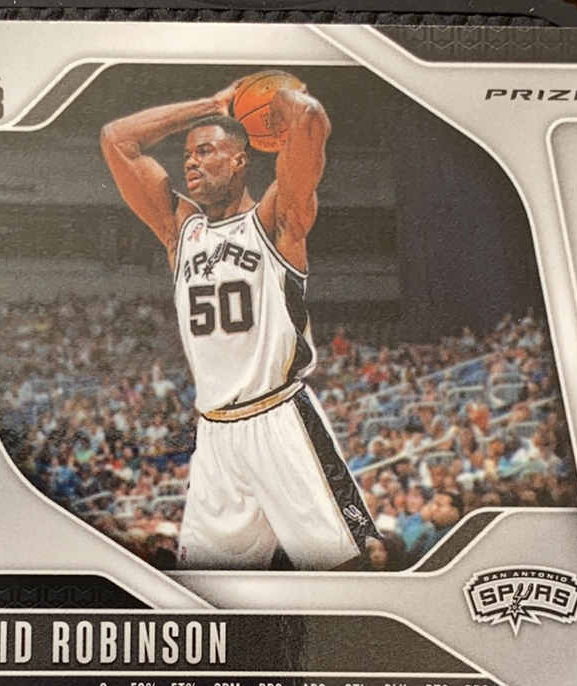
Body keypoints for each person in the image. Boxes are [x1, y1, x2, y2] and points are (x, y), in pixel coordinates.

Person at [100, 79, 379, 571]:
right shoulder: (180, 230)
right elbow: (117, 139)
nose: (191, 163)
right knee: (207, 589)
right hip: (215, 435)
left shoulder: (275, 221)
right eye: (187, 155)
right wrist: (209, 105)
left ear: (239, 160)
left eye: (206, 151)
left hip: (279, 420)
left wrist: (279, 96)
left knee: (349, 573)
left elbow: (310, 119)